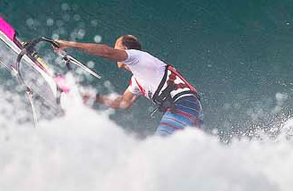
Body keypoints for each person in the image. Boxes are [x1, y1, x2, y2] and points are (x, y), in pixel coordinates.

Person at [51, 35, 203, 136]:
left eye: (116, 47)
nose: (114, 50)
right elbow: (123, 103)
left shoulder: (138, 57)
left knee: (159, 152)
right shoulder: (137, 80)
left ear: (125, 50)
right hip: (188, 107)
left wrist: (69, 44)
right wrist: (92, 97)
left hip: (183, 104)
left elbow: (106, 52)